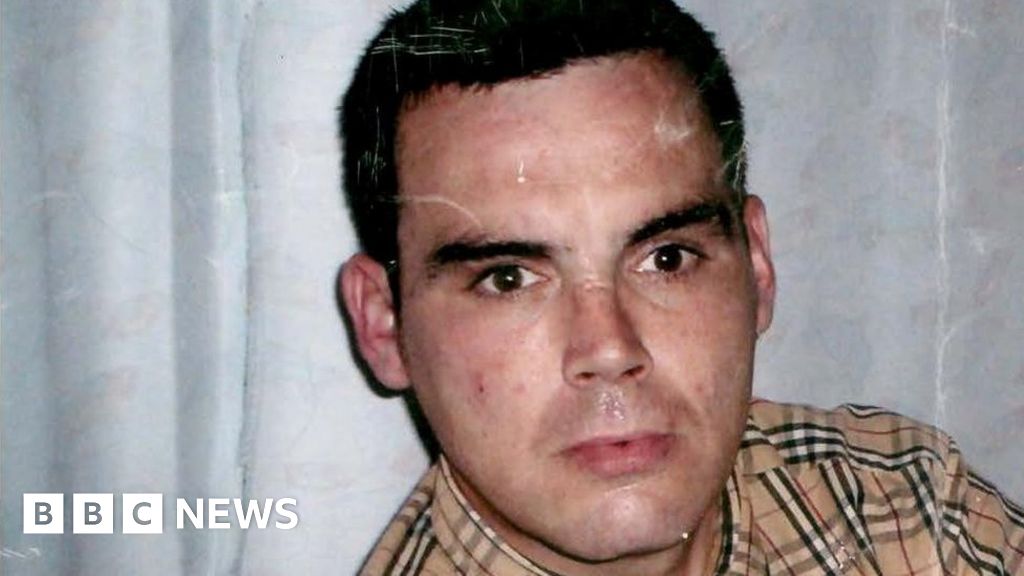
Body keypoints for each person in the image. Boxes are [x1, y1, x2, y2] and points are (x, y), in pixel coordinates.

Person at [338, 1, 1024, 574]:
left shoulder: (905, 510)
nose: (610, 349)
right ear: (384, 325)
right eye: (508, 278)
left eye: (666, 259)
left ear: (757, 266)